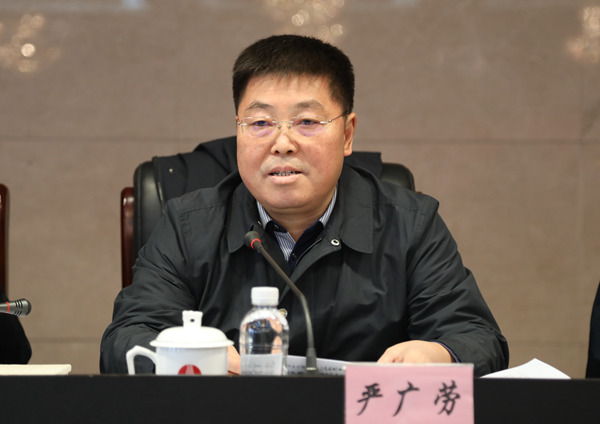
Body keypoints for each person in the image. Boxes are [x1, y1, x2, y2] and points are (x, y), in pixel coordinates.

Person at [100, 34, 509, 377]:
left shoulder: (411, 224)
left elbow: (478, 338)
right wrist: (192, 359)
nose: (282, 143)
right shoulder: (189, 225)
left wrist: (437, 354)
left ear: (347, 134)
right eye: (260, 123)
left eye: (307, 122)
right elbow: (126, 339)